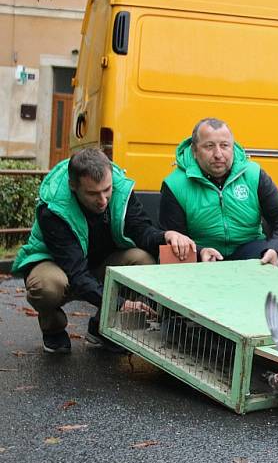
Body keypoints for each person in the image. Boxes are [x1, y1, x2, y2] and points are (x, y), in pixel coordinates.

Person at [12, 148, 195, 353]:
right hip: (59, 266)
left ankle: (100, 328)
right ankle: (53, 329)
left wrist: (166, 235)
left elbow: (141, 230)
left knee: (142, 260)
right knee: (46, 287)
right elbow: (77, 273)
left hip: (99, 262)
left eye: (107, 190)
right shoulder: (53, 209)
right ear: (73, 186)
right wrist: (121, 303)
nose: (103, 200)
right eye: (92, 193)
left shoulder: (120, 188)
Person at [159, 118, 278, 265]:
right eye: (209, 146)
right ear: (194, 151)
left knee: (270, 255)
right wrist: (200, 252)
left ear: (233, 147)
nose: (218, 154)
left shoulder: (253, 174)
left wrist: (275, 246)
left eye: (225, 146)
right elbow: (172, 239)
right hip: (200, 256)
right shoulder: (175, 184)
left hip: (250, 249)